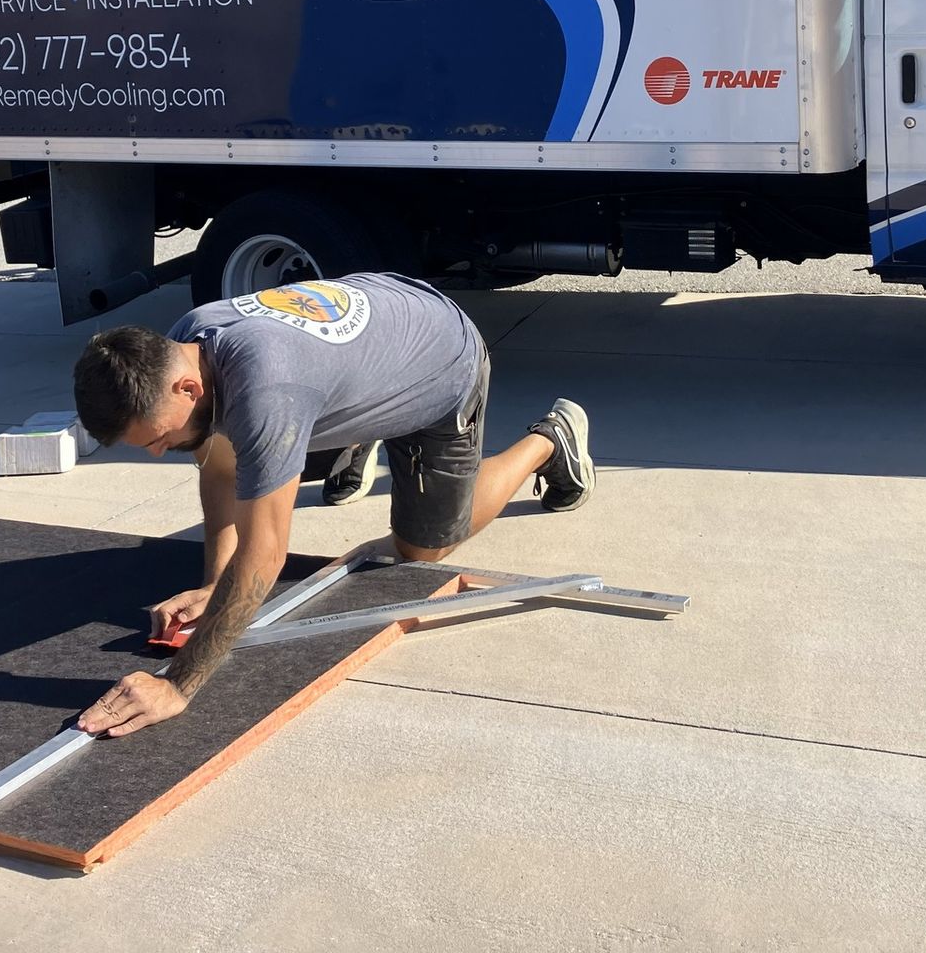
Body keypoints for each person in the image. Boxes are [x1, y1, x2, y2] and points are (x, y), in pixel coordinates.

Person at [69, 271, 594, 738]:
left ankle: (550, 440)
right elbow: (220, 464)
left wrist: (177, 685)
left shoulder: (267, 392)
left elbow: (266, 556)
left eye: (158, 437)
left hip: (441, 362)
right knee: (241, 433)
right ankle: (354, 420)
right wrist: (215, 583)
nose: (159, 451)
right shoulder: (186, 345)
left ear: (187, 387)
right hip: (375, 341)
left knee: (424, 551)